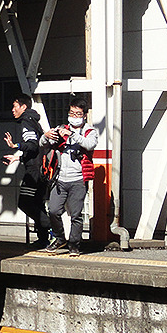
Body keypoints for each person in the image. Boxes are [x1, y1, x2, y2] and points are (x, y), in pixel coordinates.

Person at [40, 97, 97, 257]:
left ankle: (74, 244)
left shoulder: (89, 131)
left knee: (76, 214)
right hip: (59, 180)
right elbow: (43, 144)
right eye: (72, 113)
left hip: (78, 180)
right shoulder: (61, 128)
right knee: (53, 210)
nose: (74, 116)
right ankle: (59, 238)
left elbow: (89, 144)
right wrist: (46, 136)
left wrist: (71, 135)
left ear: (84, 115)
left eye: (78, 114)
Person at [2, 95, 51, 247]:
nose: (12, 110)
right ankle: (44, 239)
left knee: (25, 203)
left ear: (23, 107)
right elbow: (35, 151)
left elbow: (32, 145)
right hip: (40, 168)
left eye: (15, 106)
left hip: (34, 172)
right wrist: (17, 158)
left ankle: (53, 228)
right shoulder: (34, 121)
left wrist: (15, 145)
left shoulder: (26, 122)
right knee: (38, 203)